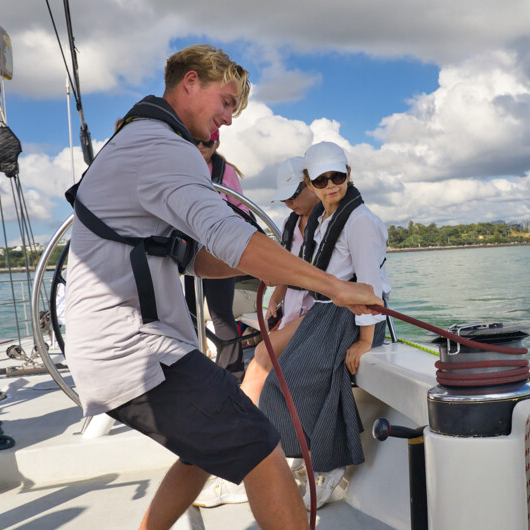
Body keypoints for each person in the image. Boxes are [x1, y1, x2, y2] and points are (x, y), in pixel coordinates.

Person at [63, 45, 381, 530]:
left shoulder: (137, 140)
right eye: (227, 102)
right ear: (190, 82)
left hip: (121, 345)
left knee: (201, 452)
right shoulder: (164, 147)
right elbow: (230, 236)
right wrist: (334, 285)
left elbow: (191, 256)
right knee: (260, 444)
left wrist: (276, 271)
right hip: (135, 350)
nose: (228, 120)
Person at [258, 141, 391, 510]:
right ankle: (308, 455)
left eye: (337, 176)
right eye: (321, 179)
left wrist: (365, 342)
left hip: (355, 316)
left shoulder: (360, 222)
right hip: (327, 313)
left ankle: (328, 466)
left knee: (297, 380)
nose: (331, 185)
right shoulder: (325, 219)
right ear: (310, 182)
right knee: (279, 382)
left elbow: (369, 289)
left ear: (348, 173)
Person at [240, 156, 319, 404]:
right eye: (284, 198)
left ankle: (241, 429)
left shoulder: (333, 223)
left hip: (320, 312)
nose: (289, 202)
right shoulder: (289, 224)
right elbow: (288, 264)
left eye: (293, 195)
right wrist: (276, 297)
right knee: (268, 355)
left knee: (264, 353)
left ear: (311, 183)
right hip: (295, 309)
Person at [184, 129, 254, 378]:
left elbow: (242, 211)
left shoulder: (227, 173)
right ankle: (195, 362)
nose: (202, 145)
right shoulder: (180, 166)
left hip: (219, 252)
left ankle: (233, 374)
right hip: (189, 251)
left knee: (220, 313)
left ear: (217, 142)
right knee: (189, 309)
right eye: (196, 140)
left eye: (208, 141)